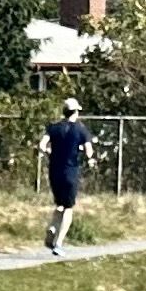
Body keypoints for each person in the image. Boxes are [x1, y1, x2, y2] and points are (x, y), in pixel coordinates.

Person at [41, 98, 92, 254]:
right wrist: (84, 152)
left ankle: (52, 227)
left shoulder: (54, 128)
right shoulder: (81, 130)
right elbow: (89, 151)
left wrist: (48, 152)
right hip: (71, 172)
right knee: (68, 208)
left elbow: (42, 145)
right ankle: (59, 243)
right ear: (76, 112)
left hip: (55, 172)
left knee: (60, 205)